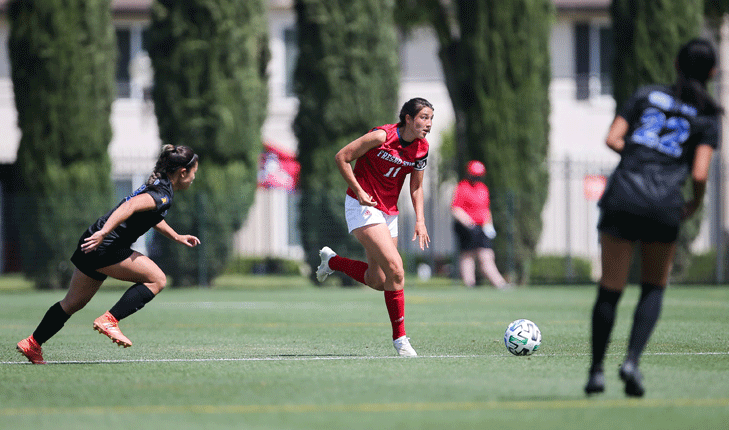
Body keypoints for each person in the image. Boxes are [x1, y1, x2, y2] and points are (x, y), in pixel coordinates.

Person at [585, 39, 722, 397]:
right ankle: (631, 361)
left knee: (610, 289)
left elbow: (613, 138)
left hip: (623, 195)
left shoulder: (646, 95)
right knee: (653, 287)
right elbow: (700, 174)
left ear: (676, 64)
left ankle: (597, 371)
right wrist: (694, 202)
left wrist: (642, 153)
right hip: (664, 204)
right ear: (712, 72)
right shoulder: (708, 116)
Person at [16, 145, 201, 364]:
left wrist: (177, 236)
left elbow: (150, 215)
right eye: (194, 174)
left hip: (93, 241)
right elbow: (129, 206)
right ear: (182, 172)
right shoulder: (161, 193)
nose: (193, 178)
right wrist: (104, 233)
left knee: (73, 302)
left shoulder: (159, 188)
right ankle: (110, 320)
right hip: (104, 245)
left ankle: (32, 343)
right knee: (157, 279)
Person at [315, 97, 434, 357]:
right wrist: (357, 190)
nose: (428, 124)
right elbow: (342, 157)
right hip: (362, 206)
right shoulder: (381, 137)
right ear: (408, 119)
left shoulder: (422, 149)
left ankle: (332, 262)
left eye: (430, 119)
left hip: (388, 212)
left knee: (379, 280)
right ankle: (400, 340)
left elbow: (416, 187)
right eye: (423, 118)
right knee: (396, 269)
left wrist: (420, 220)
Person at [451, 160, 509, 289]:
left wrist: (489, 226)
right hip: (466, 227)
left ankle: (499, 283)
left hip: (481, 227)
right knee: (468, 255)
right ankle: (469, 283)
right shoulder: (462, 187)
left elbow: (485, 209)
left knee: (486, 255)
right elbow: (456, 208)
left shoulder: (483, 188)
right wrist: (469, 224)